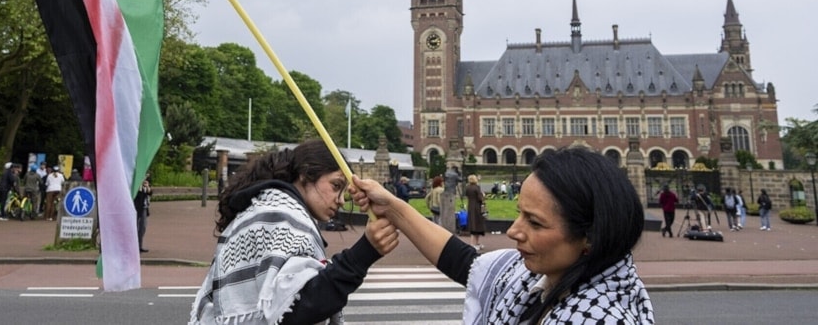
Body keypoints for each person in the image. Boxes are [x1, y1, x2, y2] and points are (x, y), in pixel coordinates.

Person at [352, 146, 655, 324]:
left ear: (590, 235)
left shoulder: (600, 318)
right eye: (519, 213)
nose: (513, 231)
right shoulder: (546, 277)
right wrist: (392, 207)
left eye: (534, 223)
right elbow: (464, 262)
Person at [189, 139, 399, 325]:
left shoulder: (265, 207)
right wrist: (364, 253)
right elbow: (297, 306)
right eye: (336, 186)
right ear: (306, 174)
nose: (342, 200)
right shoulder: (281, 215)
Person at [465, 174, 486, 250]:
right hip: (477, 207)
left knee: (472, 223)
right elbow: (480, 198)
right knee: (478, 224)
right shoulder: (477, 188)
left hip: (470, 206)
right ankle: (474, 243)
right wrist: (483, 195)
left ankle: (474, 243)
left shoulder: (467, 188)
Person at [134, 178, 152, 253]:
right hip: (137, 208)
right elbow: (138, 196)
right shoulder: (136, 187)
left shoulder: (145, 187)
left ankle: (139, 246)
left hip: (144, 208)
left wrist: (147, 188)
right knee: (135, 227)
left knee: (143, 227)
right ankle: (134, 246)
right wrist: (140, 188)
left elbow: (150, 193)